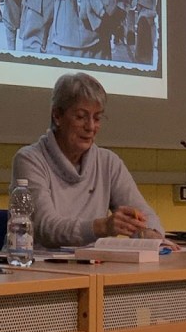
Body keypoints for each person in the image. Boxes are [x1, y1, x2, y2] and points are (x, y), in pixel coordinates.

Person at [11, 72, 168, 248]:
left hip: (92, 262)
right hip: (35, 262)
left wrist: (149, 233)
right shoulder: (30, 159)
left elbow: (144, 214)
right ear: (57, 116)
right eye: (80, 117)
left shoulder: (108, 162)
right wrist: (102, 227)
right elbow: (45, 227)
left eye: (97, 118)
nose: (91, 127)